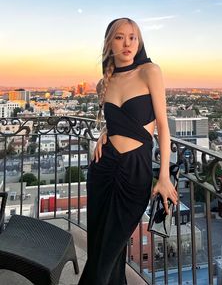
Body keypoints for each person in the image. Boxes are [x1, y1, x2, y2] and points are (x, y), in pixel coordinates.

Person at [78, 17, 178, 285]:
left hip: (136, 171)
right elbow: (116, 121)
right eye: (120, 37)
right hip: (103, 169)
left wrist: (164, 176)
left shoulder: (150, 72)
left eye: (132, 37)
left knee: (105, 256)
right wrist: (105, 134)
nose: (127, 43)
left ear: (139, 41)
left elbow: (163, 128)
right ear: (110, 43)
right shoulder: (104, 84)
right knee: (101, 246)